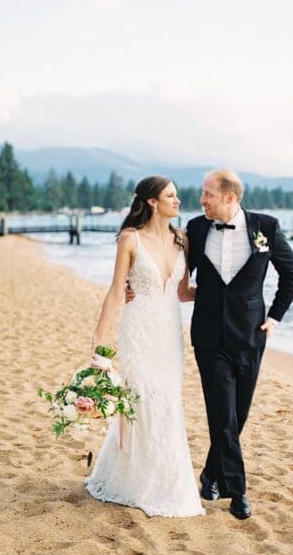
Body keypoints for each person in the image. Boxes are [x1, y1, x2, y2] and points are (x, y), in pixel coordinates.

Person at [84, 175, 205, 518]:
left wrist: (227, 293)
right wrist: (98, 337)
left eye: (177, 195)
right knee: (140, 401)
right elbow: (115, 290)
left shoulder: (182, 239)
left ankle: (165, 481)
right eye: (171, 196)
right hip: (138, 331)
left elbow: (183, 293)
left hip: (169, 333)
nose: (177, 201)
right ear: (152, 201)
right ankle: (136, 483)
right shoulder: (130, 239)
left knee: (166, 402)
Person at [182, 169, 293, 519]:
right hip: (209, 335)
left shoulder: (265, 227)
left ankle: (210, 473)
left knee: (237, 413)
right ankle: (238, 492)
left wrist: (275, 316)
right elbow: (177, 272)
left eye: (208, 194)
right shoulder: (197, 228)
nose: (202, 200)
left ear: (230, 197)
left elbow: (290, 273)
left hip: (250, 334)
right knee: (222, 411)